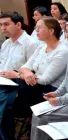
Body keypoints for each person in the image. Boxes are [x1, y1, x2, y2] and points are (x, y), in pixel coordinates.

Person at [14, 17, 68, 118]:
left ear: (51, 31)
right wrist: (27, 73)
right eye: (36, 27)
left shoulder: (63, 52)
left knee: (18, 87)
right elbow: (24, 67)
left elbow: (46, 79)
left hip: (52, 91)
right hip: (36, 86)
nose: (36, 30)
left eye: (39, 28)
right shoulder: (41, 47)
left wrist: (19, 75)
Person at [0, 11, 37, 140]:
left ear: (18, 24)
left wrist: (16, 74)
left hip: (20, 86)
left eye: (6, 24)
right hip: (3, 82)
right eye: (1, 25)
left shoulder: (30, 43)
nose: (3, 28)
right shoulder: (6, 43)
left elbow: (34, 72)